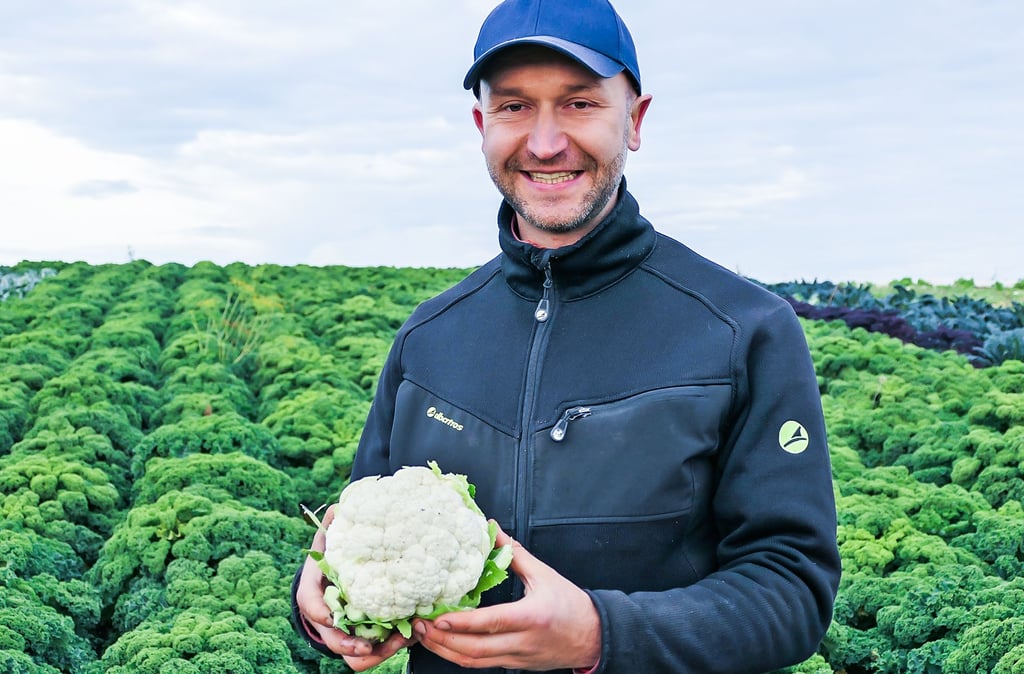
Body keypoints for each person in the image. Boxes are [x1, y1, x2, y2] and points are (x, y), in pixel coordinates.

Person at [292, 0, 841, 672]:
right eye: (514, 107)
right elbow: (356, 525)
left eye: (579, 104)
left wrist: (601, 635)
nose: (545, 142)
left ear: (634, 120)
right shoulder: (428, 339)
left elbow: (792, 591)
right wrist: (321, 601)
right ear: (482, 125)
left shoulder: (744, 330)